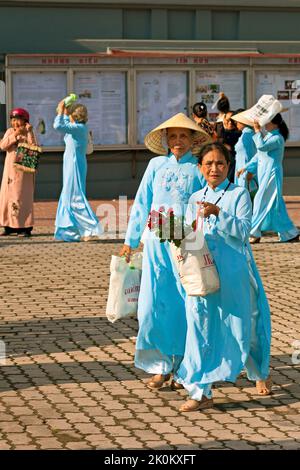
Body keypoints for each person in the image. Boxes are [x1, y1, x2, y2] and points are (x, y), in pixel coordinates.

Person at [174, 142, 272, 411]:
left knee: (244, 326)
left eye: (220, 164)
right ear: (200, 168)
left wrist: (219, 213)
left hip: (233, 271)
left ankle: (258, 371)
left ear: (229, 167)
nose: (214, 169)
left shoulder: (239, 194)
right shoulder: (194, 198)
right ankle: (200, 390)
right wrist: (171, 231)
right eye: (208, 164)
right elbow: (190, 236)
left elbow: (243, 231)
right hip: (201, 274)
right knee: (199, 326)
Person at [119, 113, 210, 390]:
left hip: (185, 244)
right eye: (173, 136)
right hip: (156, 242)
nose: (178, 141)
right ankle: (160, 364)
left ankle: (186, 364)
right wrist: (130, 239)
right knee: (152, 304)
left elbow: (204, 206)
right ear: (166, 140)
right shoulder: (155, 165)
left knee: (187, 304)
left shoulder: (199, 168)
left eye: (184, 136)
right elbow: (142, 202)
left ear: (193, 140)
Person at [237, 114, 299, 243]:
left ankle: (254, 232)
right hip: (265, 174)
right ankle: (289, 233)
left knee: (261, 201)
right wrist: (246, 168)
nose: (265, 124)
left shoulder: (277, 138)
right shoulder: (268, 136)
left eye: (267, 122)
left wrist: (257, 130)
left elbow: (261, 147)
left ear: (275, 124)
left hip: (272, 175)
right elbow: (258, 156)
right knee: (275, 206)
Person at [53, 100, 103, 242]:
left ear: (74, 116)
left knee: (75, 197)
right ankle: (69, 231)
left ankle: (91, 229)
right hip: (70, 164)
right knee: (67, 197)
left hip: (74, 165)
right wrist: (63, 111)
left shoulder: (79, 128)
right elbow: (63, 125)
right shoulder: (77, 127)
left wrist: (61, 110)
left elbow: (58, 125)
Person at [0, 108, 37, 237]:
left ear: (25, 121)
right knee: (8, 198)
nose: (15, 123)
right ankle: (9, 226)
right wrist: (15, 135)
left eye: (18, 120)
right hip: (10, 172)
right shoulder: (10, 132)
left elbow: (34, 149)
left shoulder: (28, 132)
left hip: (23, 172)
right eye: (13, 120)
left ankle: (25, 227)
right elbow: (3, 145)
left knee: (22, 198)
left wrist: (29, 132)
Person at [233, 110, 257, 194]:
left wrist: (250, 171)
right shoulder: (245, 133)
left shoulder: (248, 134)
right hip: (241, 169)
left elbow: (251, 154)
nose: (236, 123)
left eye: (238, 121)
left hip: (245, 170)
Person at [216, 110, 241, 183]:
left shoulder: (238, 134)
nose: (230, 122)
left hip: (232, 168)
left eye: (232, 120)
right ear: (224, 120)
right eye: (228, 120)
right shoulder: (220, 131)